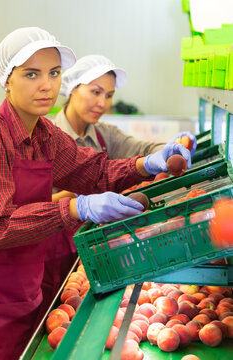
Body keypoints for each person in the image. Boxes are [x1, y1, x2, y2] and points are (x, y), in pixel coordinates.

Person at [0, 27, 192, 359]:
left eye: (54, 73)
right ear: (7, 80)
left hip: (21, 292)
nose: (47, 85)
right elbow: (1, 226)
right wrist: (78, 208)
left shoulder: (45, 135)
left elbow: (94, 172)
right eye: (32, 74)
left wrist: (146, 163)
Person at [40, 55, 198, 308]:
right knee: (47, 306)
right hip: (48, 250)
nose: (102, 103)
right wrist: (77, 201)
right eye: (95, 92)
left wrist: (175, 147)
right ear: (73, 89)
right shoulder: (45, 135)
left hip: (92, 250)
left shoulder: (106, 135)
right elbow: (25, 205)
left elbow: (143, 150)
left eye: (109, 95)